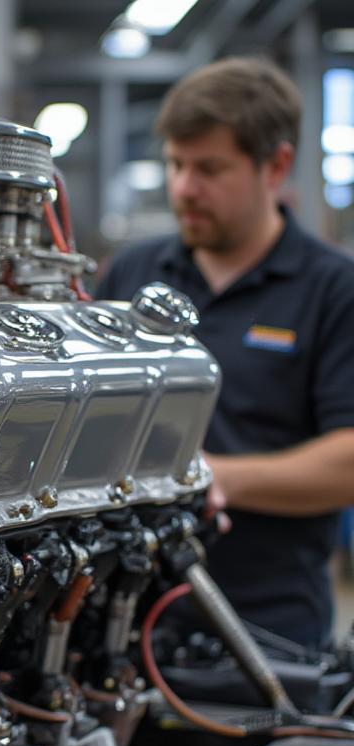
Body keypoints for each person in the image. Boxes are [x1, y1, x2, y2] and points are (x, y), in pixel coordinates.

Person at [95, 57, 354, 649]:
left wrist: (211, 476)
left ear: (277, 166)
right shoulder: (136, 272)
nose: (185, 188)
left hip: (265, 627)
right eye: (176, 165)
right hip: (121, 616)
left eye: (210, 168)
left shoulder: (333, 289)